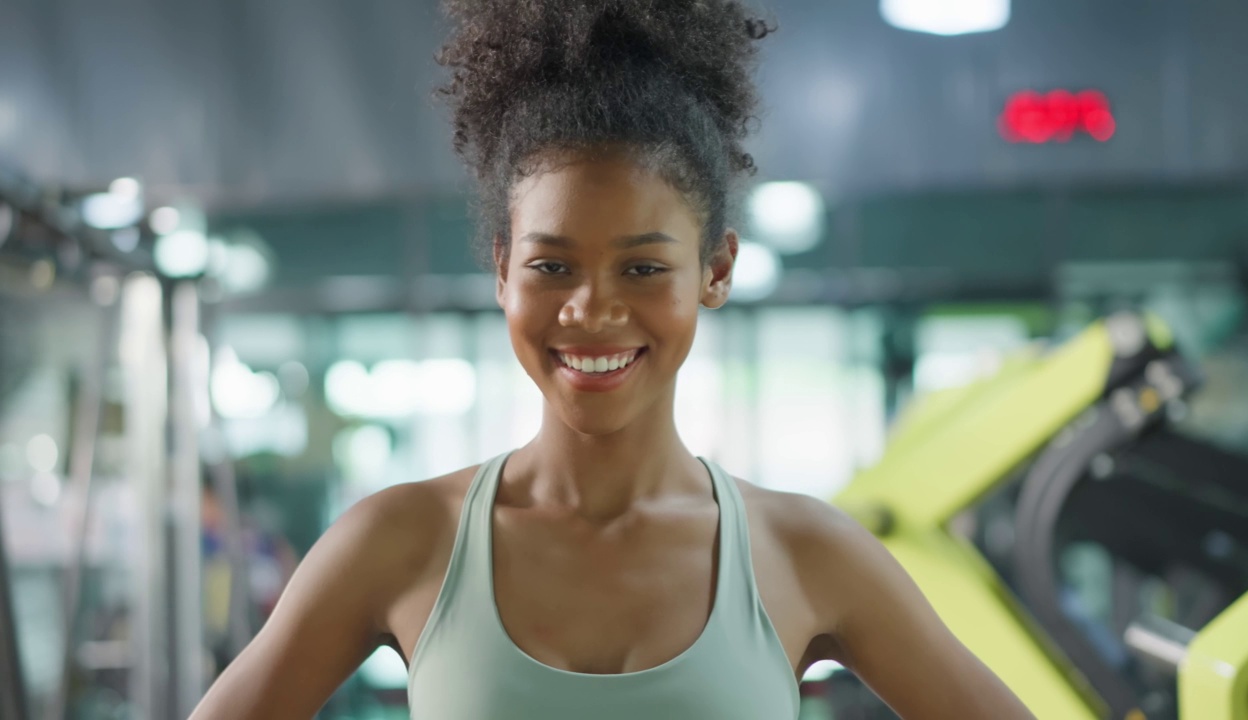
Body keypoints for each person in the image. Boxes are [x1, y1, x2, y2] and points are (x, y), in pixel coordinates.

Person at [190, 1, 1036, 717]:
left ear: (716, 269)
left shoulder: (805, 552)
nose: (590, 310)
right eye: (552, 265)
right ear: (499, 268)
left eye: (641, 267)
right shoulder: (401, 542)